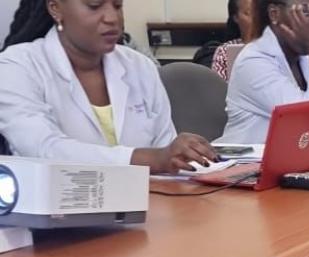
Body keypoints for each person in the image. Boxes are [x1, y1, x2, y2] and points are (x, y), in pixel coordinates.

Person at [0, 0, 217, 174]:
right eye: (94, 6)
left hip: (149, 205)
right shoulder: (17, 66)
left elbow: (167, 154)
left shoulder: (139, 66)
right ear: (55, 8)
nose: (112, 18)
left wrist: (180, 155)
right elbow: (43, 150)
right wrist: (153, 159)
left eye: (117, 5)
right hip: (55, 212)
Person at [218, 0, 309, 145]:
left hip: (297, 155)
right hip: (249, 158)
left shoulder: (305, 58)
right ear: (274, 14)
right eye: (307, 14)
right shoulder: (252, 62)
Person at [212, 0, 255, 81]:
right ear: (236, 17)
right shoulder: (224, 52)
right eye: (249, 13)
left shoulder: (274, 47)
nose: (256, 18)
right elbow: (219, 86)